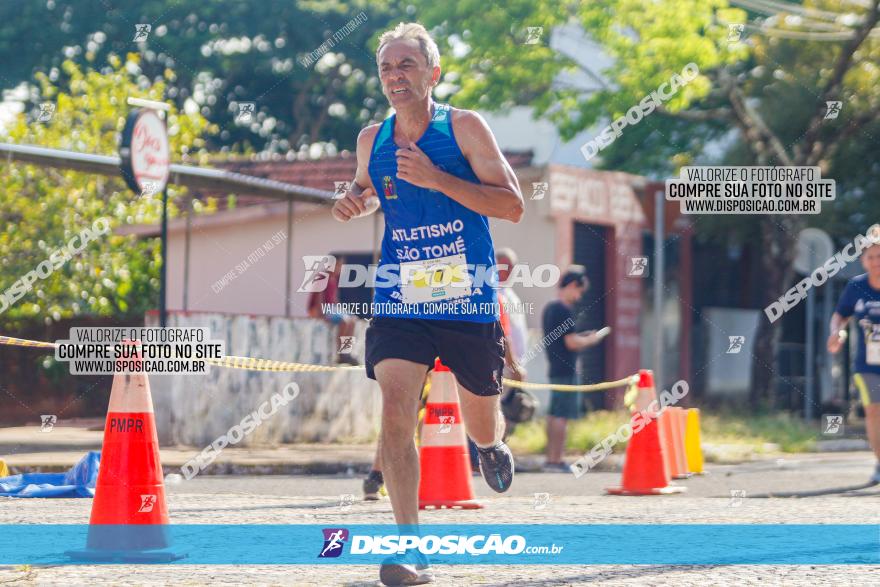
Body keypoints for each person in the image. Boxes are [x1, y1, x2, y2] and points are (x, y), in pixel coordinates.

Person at [331, 22, 524, 585]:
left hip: (467, 296)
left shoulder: (463, 128)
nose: (395, 75)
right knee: (396, 406)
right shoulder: (373, 138)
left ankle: (489, 445)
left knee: (480, 415)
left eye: (406, 65)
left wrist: (439, 180)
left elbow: (511, 205)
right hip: (401, 294)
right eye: (387, 67)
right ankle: (409, 545)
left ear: (433, 73)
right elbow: (367, 193)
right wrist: (353, 203)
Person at [827, 232, 880, 483]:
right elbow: (840, 315)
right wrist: (837, 333)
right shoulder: (856, 286)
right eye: (871, 257)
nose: (876, 261)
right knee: (873, 412)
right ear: (863, 260)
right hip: (867, 364)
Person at [542, 266, 605, 472]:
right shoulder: (563, 310)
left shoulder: (550, 308)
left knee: (554, 414)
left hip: (554, 367)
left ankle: (550, 458)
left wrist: (582, 336)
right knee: (562, 416)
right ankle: (557, 460)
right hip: (566, 370)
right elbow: (570, 342)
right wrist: (591, 340)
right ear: (571, 285)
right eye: (579, 291)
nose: (579, 297)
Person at [306, 256, 358, 365]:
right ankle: (341, 354)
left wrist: (341, 309)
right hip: (320, 309)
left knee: (352, 320)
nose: (340, 269)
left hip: (331, 309)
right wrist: (321, 315)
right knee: (344, 321)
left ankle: (346, 352)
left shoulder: (333, 279)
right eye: (338, 266)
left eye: (341, 266)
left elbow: (334, 300)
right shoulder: (322, 277)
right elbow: (319, 298)